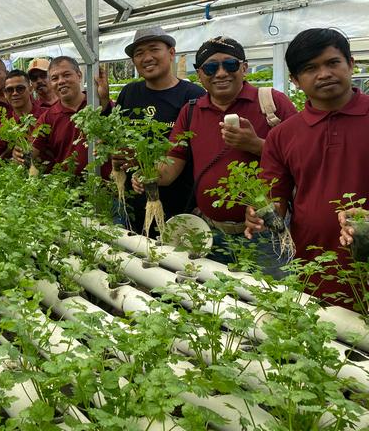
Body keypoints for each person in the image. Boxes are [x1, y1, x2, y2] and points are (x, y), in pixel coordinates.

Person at [136, 36, 297, 274]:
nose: (221, 73)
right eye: (211, 68)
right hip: (210, 231)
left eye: (230, 65)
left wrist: (256, 145)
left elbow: (303, 160)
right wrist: (146, 174)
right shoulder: (191, 111)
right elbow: (170, 169)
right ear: (200, 75)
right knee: (212, 294)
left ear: (244, 68)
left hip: (265, 232)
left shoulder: (272, 102)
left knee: (267, 293)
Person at [244, 28, 369, 301]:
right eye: (310, 68)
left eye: (333, 62)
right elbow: (274, 196)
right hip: (313, 264)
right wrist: (259, 214)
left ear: (351, 64)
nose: (324, 74)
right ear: (295, 80)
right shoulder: (283, 135)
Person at [116, 26, 205, 230]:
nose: (147, 57)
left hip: (180, 206)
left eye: (154, 49)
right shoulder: (129, 92)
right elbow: (119, 139)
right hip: (134, 205)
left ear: (171, 53)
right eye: (139, 53)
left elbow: (201, 151)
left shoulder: (193, 95)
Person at [29, 56, 111, 176]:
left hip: (104, 183)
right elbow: (32, 150)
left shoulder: (97, 104)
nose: (61, 81)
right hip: (68, 185)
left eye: (66, 75)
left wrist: (104, 99)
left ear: (79, 76)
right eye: (55, 78)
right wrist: (21, 154)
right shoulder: (47, 118)